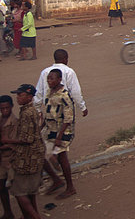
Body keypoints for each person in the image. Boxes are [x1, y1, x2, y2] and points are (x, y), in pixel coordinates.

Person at [3, 85, 45, 219]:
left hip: (27, 157)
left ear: (29, 97)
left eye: (20, 95)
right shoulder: (30, 111)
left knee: (19, 192)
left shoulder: (26, 113)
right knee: (30, 190)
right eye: (17, 95)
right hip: (34, 155)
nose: (18, 98)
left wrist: (8, 141)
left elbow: (27, 138)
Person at [40, 69, 76, 200]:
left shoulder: (64, 95)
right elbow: (48, 112)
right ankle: (56, 180)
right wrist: (40, 127)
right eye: (48, 79)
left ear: (59, 79)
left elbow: (68, 119)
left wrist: (59, 137)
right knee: (40, 153)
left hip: (62, 131)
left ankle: (70, 187)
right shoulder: (50, 92)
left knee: (62, 157)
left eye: (52, 79)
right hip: (50, 130)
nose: (49, 81)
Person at [34, 49, 88, 117]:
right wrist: (82, 107)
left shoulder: (45, 72)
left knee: (51, 125)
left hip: (49, 108)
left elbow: (39, 92)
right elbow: (75, 91)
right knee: (66, 125)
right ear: (65, 59)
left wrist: (37, 108)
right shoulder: (69, 71)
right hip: (65, 107)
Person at [0, 95, 17, 219]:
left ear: (11, 107)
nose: (5, 111)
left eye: (7, 108)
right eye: (2, 108)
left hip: (10, 158)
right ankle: (8, 212)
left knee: (16, 188)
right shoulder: (1, 121)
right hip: (2, 159)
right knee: (1, 187)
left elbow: (13, 143)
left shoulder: (14, 122)